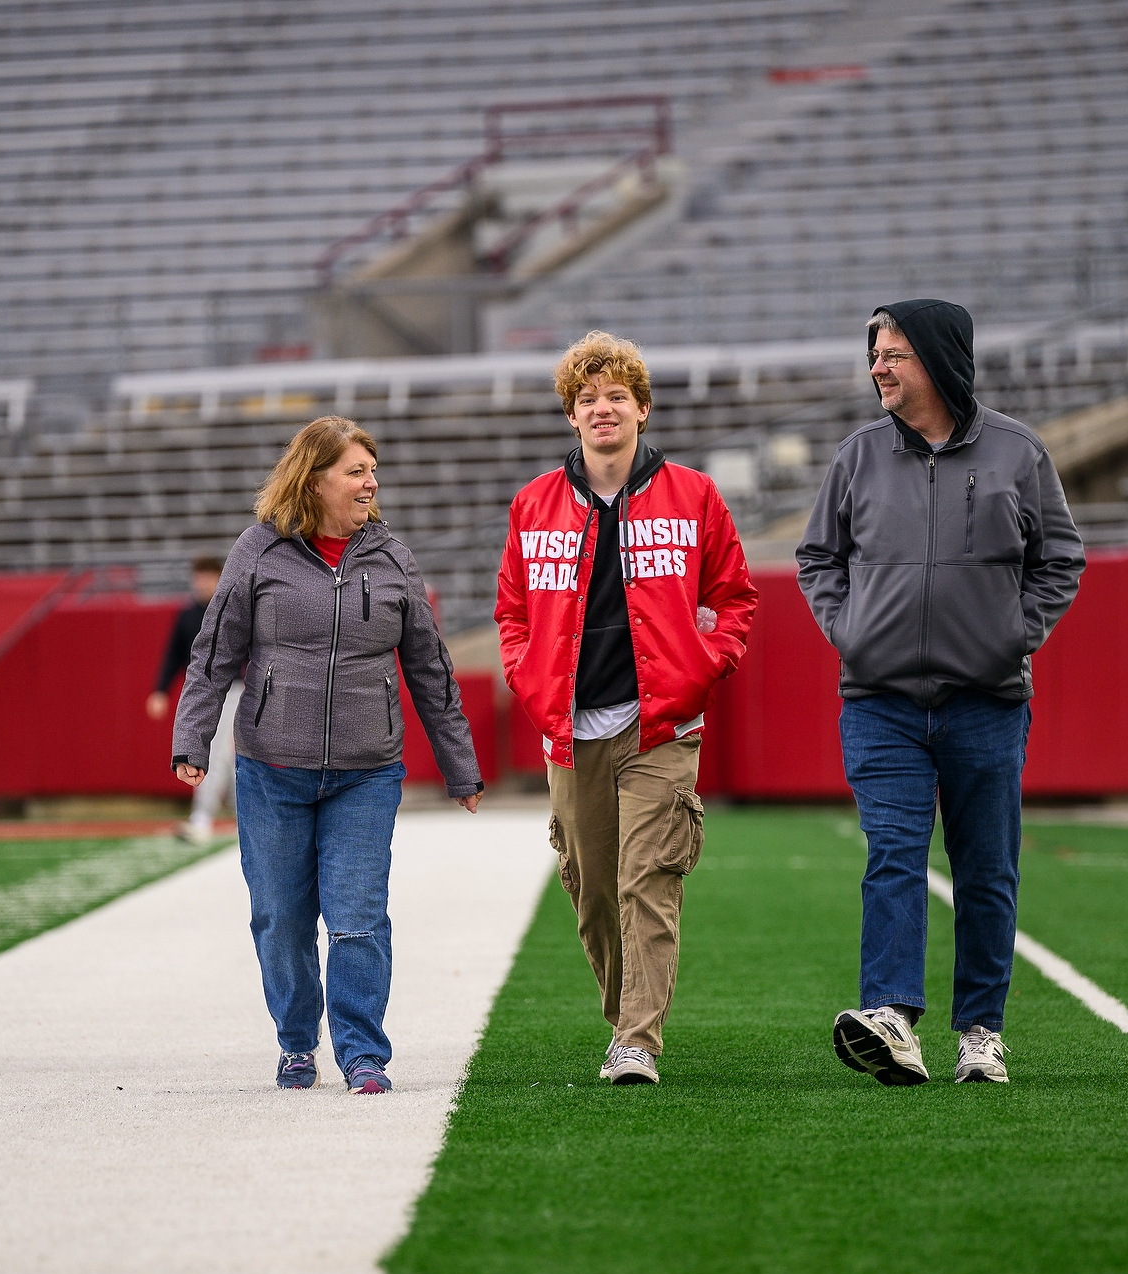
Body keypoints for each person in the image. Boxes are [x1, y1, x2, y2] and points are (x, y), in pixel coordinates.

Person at [797, 300, 1084, 1087]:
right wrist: (850, 631)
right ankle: (892, 1016)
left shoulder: (1019, 453)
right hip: (879, 700)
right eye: (875, 353)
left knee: (986, 868)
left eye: (893, 353)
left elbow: (1060, 559)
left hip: (986, 702)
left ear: (938, 359)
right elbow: (817, 557)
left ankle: (981, 1031)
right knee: (893, 854)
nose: (877, 366)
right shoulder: (857, 456)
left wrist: (1010, 638)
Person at [172, 415, 483, 1096]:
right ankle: (295, 1043)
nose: (371, 482)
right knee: (280, 918)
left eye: (372, 470)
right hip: (271, 769)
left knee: (357, 918)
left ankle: (363, 1052)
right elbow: (214, 655)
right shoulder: (257, 551)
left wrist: (460, 765)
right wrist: (192, 739)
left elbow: (430, 669)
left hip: (365, 773)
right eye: (356, 471)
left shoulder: (394, 557)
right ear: (315, 480)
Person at [496, 331, 757, 1086]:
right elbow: (512, 612)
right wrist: (526, 675)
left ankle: (639, 1039)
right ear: (572, 419)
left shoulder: (695, 495)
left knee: (649, 877)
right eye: (587, 399)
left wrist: (703, 670)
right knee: (592, 889)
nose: (601, 408)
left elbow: (734, 599)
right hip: (570, 732)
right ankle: (625, 1021)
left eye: (615, 396)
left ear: (642, 409)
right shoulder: (534, 504)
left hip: (660, 728)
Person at [149, 554, 233, 842]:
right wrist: (160, 690)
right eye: (199, 577)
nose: (203, 583)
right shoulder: (187, 615)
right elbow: (173, 655)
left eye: (209, 576)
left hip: (234, 689)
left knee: (225, 755)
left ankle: (205, 816)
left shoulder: (231, 609)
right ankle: (208, 816)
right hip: (201, 691)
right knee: (216, 753)